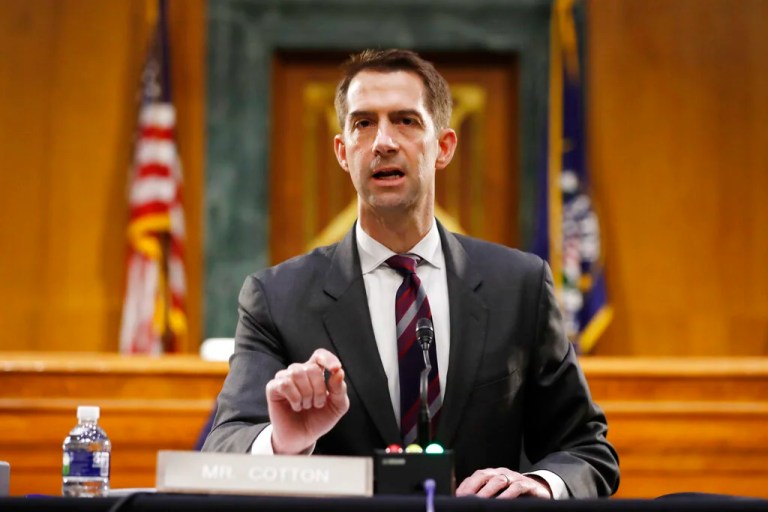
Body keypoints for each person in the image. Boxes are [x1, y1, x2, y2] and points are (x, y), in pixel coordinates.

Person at [202, 49, 619, 499]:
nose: (383, 141)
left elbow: (586, 449)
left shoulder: (519, 286)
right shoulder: (277, 298)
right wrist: (284, 443)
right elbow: (222, 452)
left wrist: (540, 484)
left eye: (406, 120)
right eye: (363, 123)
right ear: (343, 152)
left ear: (443, 147)